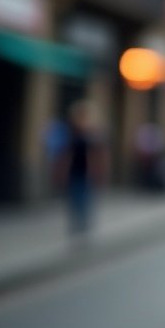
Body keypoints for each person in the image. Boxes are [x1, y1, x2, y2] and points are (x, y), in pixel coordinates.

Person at [57, 101, 105, 240]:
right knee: (74, 198)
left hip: (86, 172)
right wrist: (62, 170)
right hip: (74, 171)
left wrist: (98, 171)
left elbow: (99, 155)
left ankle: (84, 223)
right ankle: (77, 223)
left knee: (85, 198)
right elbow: (66, 154)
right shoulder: (72, 134)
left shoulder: (93, 134)